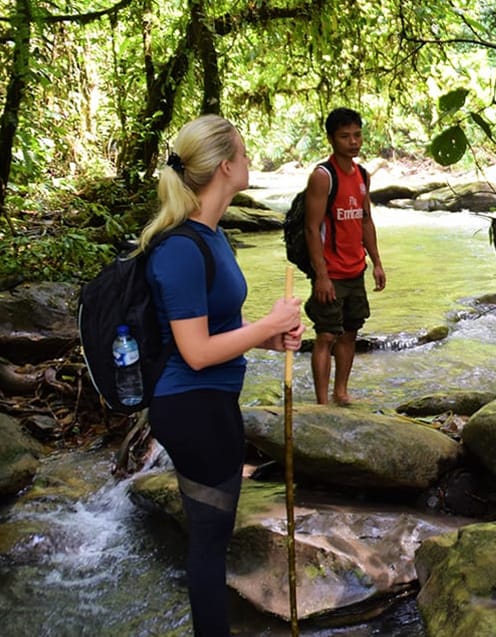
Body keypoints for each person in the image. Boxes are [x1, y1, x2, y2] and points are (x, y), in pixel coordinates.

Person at [140, 114, 304, 636]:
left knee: (215, 534)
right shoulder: (181, 249)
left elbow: (220, 329)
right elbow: (194, 352)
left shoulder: (212, 237)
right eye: (246, 152)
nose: (251, 161)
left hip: (212, 401)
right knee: (210, 541)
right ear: (226, 166)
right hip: (190, 407)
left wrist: (272, 336)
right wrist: (266, 324)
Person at [303, 107, 386, 405]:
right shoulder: (323, 177)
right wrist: (321, 276)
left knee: (350, 333)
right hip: (331, 273)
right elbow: (312, 229)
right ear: (331, 139)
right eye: (345, 136)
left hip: (355, 271)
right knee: (326, 335)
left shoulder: (362, 175)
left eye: (357, 135)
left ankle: (341, 392)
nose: (353, 142)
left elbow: (365, 220)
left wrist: (376, 262)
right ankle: (322, 402)